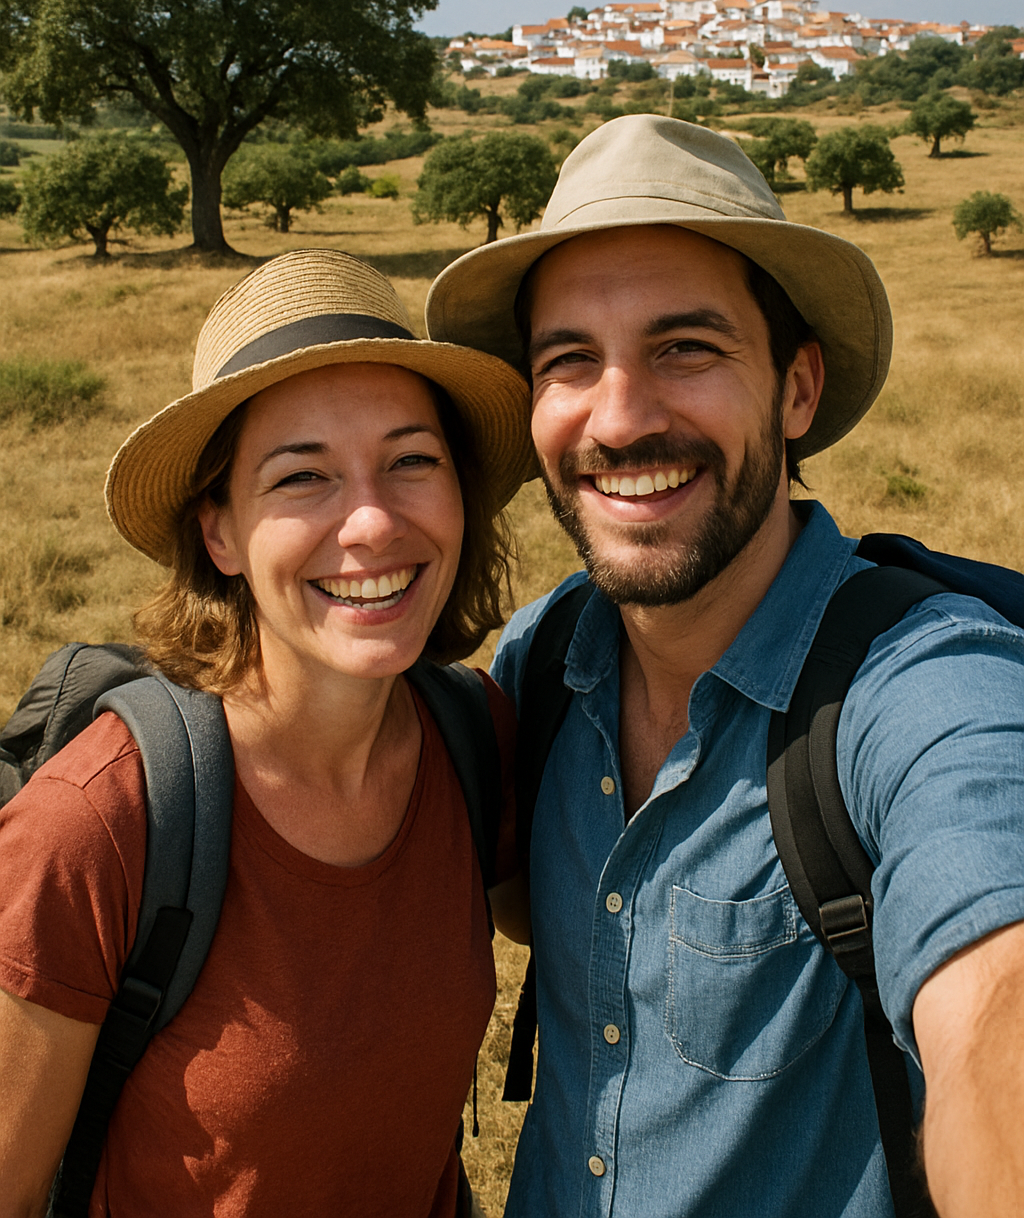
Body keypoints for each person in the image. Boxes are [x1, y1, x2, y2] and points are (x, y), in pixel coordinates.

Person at [425, 114, 1024, 1218]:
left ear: (796, 392)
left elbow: (994, 986)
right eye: (569, 361)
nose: (619, 418)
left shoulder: (924, 686)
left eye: (685, 350)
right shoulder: (543, 661)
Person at [0, 248, 533, 1218]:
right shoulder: (96, 826)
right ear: (220, 533)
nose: (370, 522)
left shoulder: (471, 736)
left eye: (412, 460)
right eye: (302, 477)